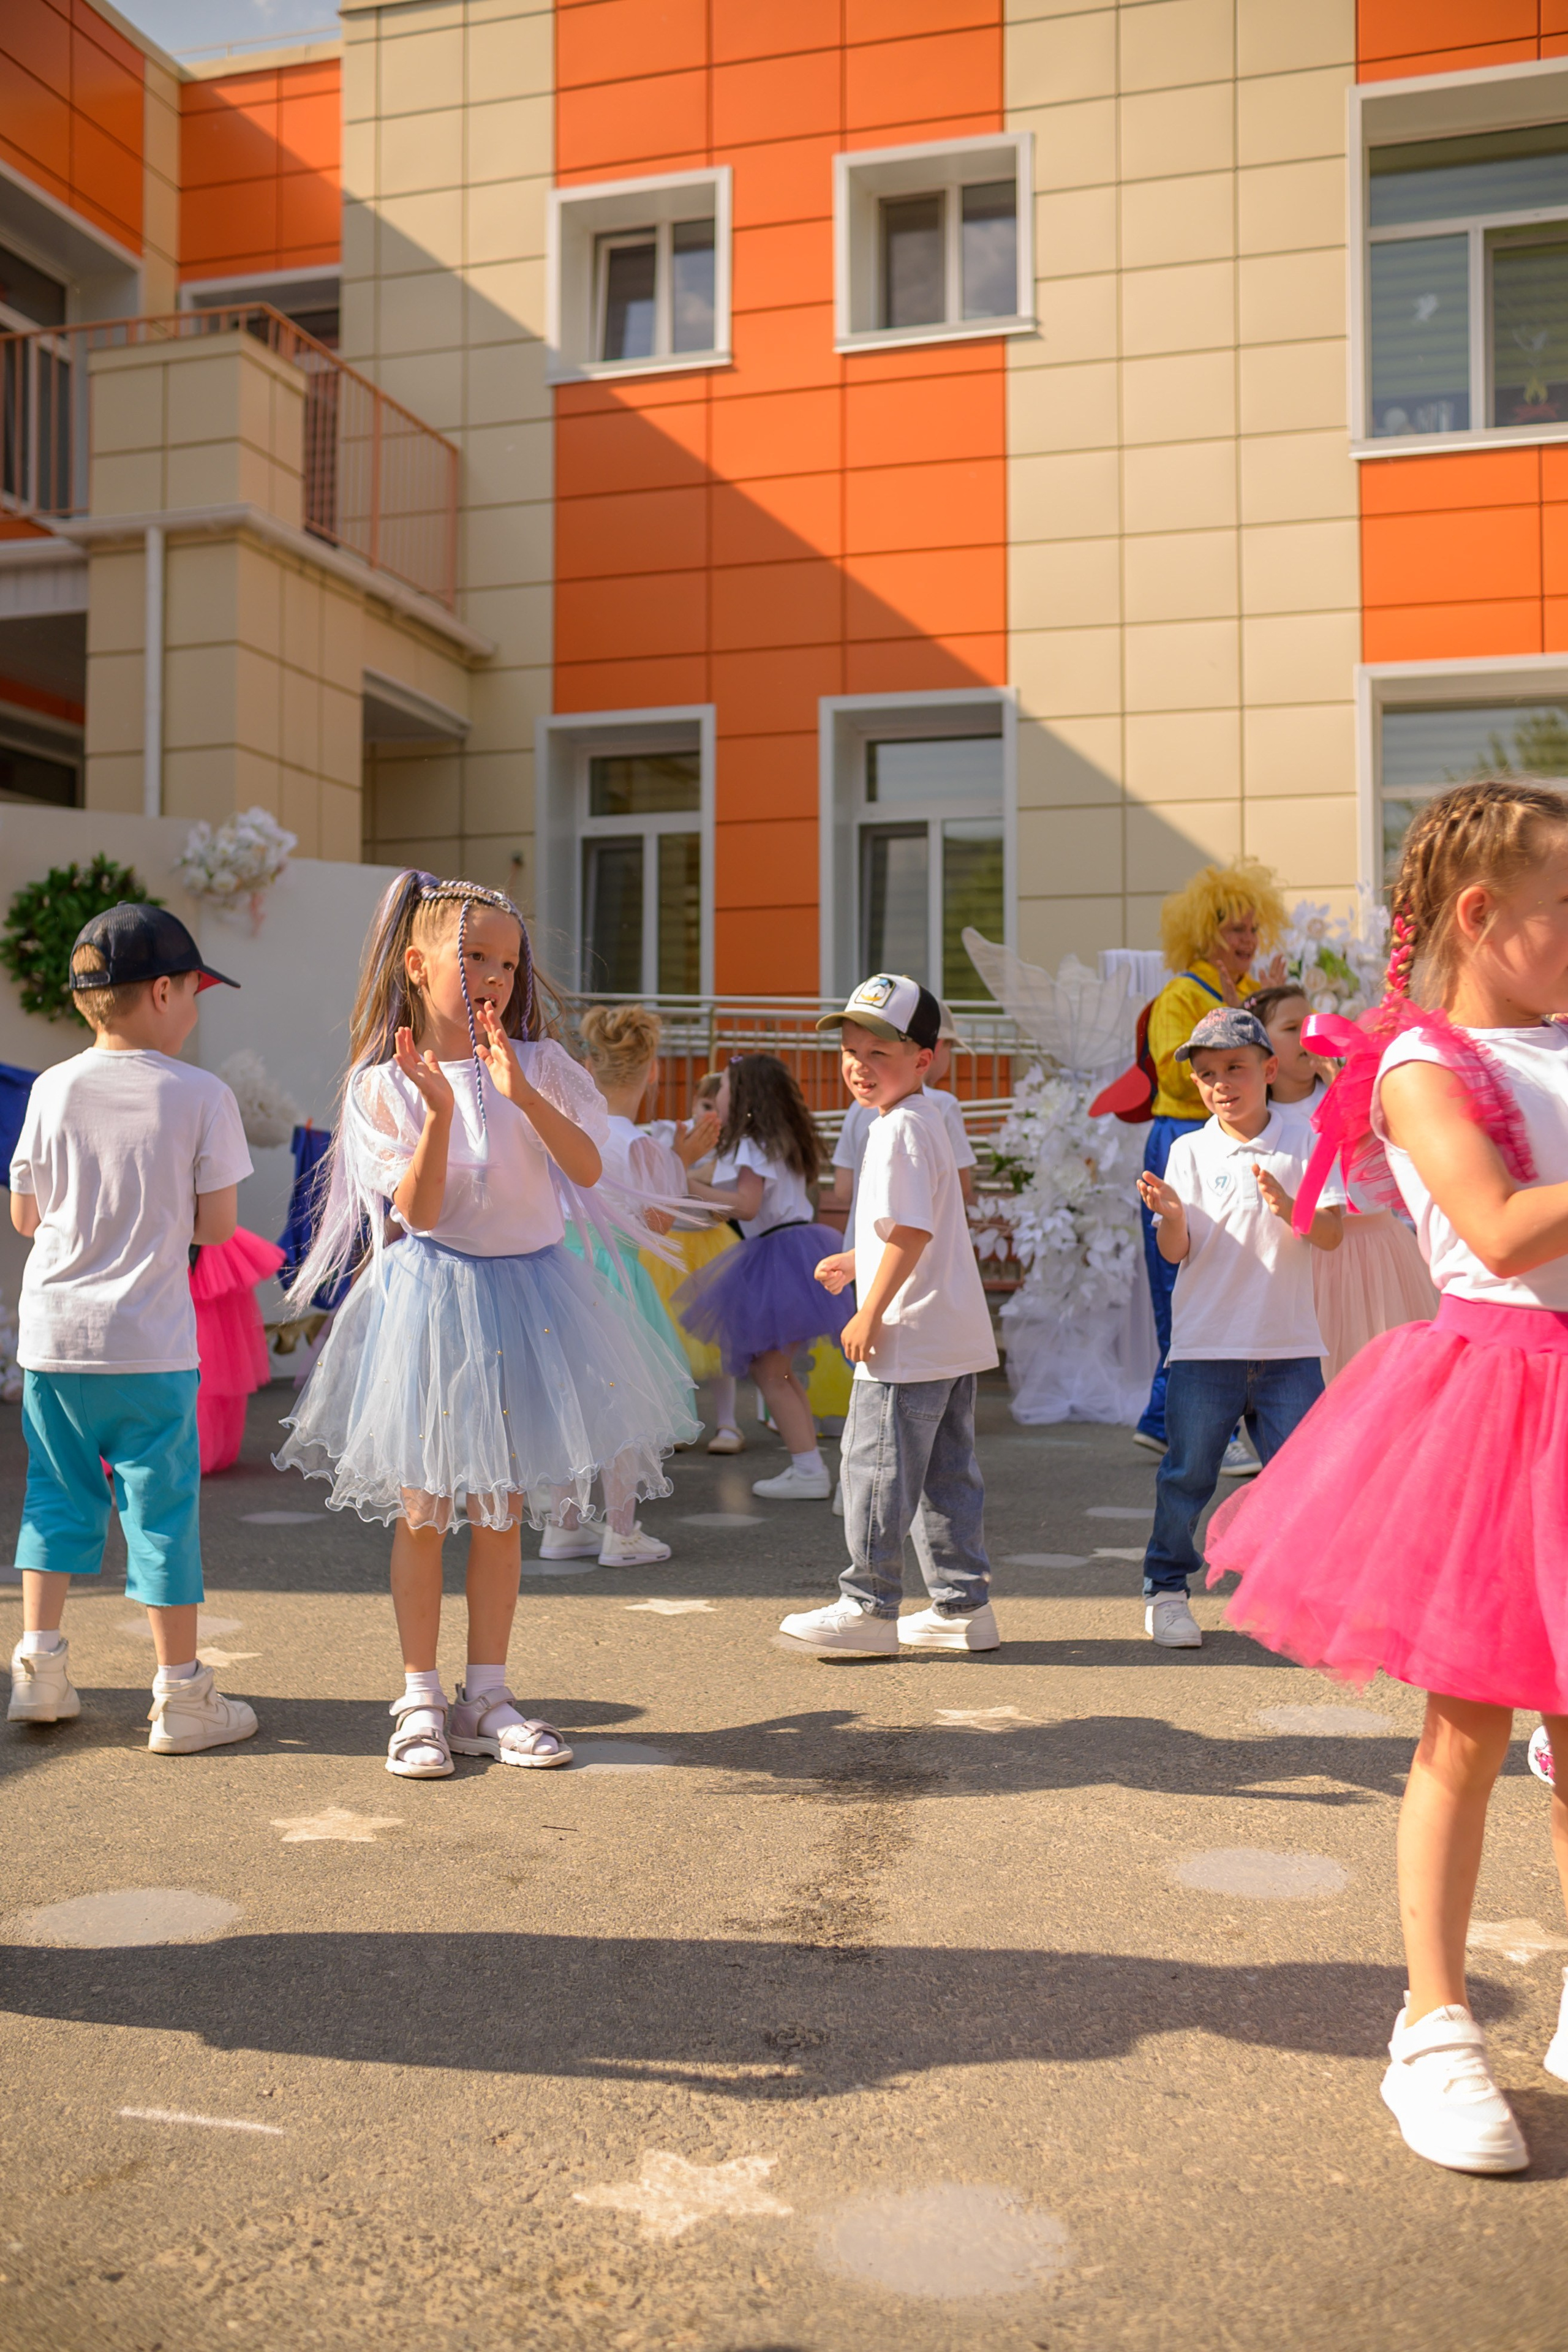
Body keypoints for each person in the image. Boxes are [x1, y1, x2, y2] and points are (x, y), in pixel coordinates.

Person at [1204, 778, 1568, 2175]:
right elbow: (1491, 1222)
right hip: (1499, 1402)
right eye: (1560, 907)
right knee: (1465, 1729)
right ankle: (1429, 2025)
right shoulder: (1421, 1066)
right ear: (1482, 918)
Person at [274, 872, 698, 1779]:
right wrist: (436, 1110)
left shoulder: (543, 1065)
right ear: (418, 963)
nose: (495, 977)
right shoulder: (383, 1086)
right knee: (428, 1510)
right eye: (475, 957)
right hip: (432, 1309)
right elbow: (421, 1213)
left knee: (502, 1509)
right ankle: (420, 1693)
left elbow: (586, 1169)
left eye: (508, 962)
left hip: (532, 1302)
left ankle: (490, 1694)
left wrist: (520, 1090)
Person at [6, 904, 258, 1755]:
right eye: (193, 991)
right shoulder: (201, 1095)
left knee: (54, 1497)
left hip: (52, 1341)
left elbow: (25, 1214)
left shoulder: (50, 1088)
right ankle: (182, 1695)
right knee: (161, 1513)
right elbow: (219, 1229)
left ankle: (37, 1670)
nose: (195, 1007)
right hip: (148, 1344)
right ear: (159, 991)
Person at [775, 974, 998, 1657]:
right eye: (850, 1051)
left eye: (879, 1053)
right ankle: (963, 1606)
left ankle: (868, 1607)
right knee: (945, 1474)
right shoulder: (924, 1118)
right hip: (948, 1333)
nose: (858, 1067)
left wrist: (868, 1308)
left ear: (922, 1057)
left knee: (874, 1468)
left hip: (905, 1337)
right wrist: (857, 1260)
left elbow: (909, 1232)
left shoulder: (897, 1129)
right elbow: (918, 1224)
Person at [1135, 1006, 1343, 1650]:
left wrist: (1290, 1207)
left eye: (1235, 1067)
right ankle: (1165, 1590)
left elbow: (1332, 1235)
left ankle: (1297, 1599)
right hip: (1206, 1347)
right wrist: (1170, 1215)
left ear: (1269, 1069)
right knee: (1188, 1475)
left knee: (1303, 1483)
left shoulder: (1306, 1139)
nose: (1221, 1083)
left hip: (1289, 1347)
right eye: (1206, 1074)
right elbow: (1176, 1252)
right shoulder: (1188, 1150)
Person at [1135, 860, 1287, 1463]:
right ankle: (1214, 1431)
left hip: (1231, 1136)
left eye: (1251, 930)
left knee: (1231, 1273)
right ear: (1204, 934)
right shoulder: (1180, 993)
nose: (1245, 942)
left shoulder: (1238, 995)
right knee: (1189, 1281)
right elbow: (1179, 1070)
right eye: (1233, 931)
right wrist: (1227, 1025)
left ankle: (1159, 1417)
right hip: (1183, 1135)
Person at [675, 1052, 852, 1500]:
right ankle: (807, 1463)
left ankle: (809, 1470)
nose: (719, 1094)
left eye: (727, 1086)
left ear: (747, 1094)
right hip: (794, 1250)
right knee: (777, 1370)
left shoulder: (750, 1144)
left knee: (770, 1372)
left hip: (778, 1253)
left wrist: (685, 1183)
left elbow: (747, 1206)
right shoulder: (780, 1139)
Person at [1251, 981, 1436, 1380]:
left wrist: (1352, 1090)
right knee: (1322, 1383)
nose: (1306, 1036)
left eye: (1310, 1023)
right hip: (1309, 1264)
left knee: (1390, 1377)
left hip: (1378, 1252)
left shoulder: (1358, 1087)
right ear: (1263, 1051)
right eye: (1290, 1028)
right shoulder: (1261, 1122)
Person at [581, 1014, 745, 1457]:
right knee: (626, 1398)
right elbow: (656, 1224)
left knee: (572, 1393)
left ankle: (564, 1522)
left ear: (589, 1066)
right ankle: (621, 1524)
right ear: (653, 1070)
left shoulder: (571, 1131)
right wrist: (683, 1159)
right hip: (616, 1273)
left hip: (563, 1265)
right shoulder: (643, 1146)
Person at [829, 1001, 977, 1218]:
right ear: (937, 1047)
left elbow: (843, 1190)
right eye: (851, 1050)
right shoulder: (943, 1105)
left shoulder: (858, 1106)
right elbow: (961, 1187)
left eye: (877, 1052)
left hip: (862, 1243)